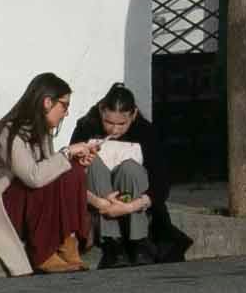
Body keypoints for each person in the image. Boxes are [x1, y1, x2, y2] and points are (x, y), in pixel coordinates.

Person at [0, 74, 102, 275]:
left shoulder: (41, 131)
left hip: (25, 205)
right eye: (64, 106)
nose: (66, 113)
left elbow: (53, 171)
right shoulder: (8, 132)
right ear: (47, 102)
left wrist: (75, 162)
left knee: (72, 171)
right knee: (44, 178)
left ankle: (67, 241)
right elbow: (34, 176)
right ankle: (43, 253)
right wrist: (67, 153)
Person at [65, 83, 179, 267]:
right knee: (94, 163)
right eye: (109, 123)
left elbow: (161, 183)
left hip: (133, 201)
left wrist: (129, 207)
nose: (115, 130)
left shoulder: (145, 132)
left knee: (130, 168)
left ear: (133, 115)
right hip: (99, 198)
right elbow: (72, 174)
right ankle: (112, 242)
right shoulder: (87, 127)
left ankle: (139, 241)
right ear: (102, 111)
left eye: (121, 124)